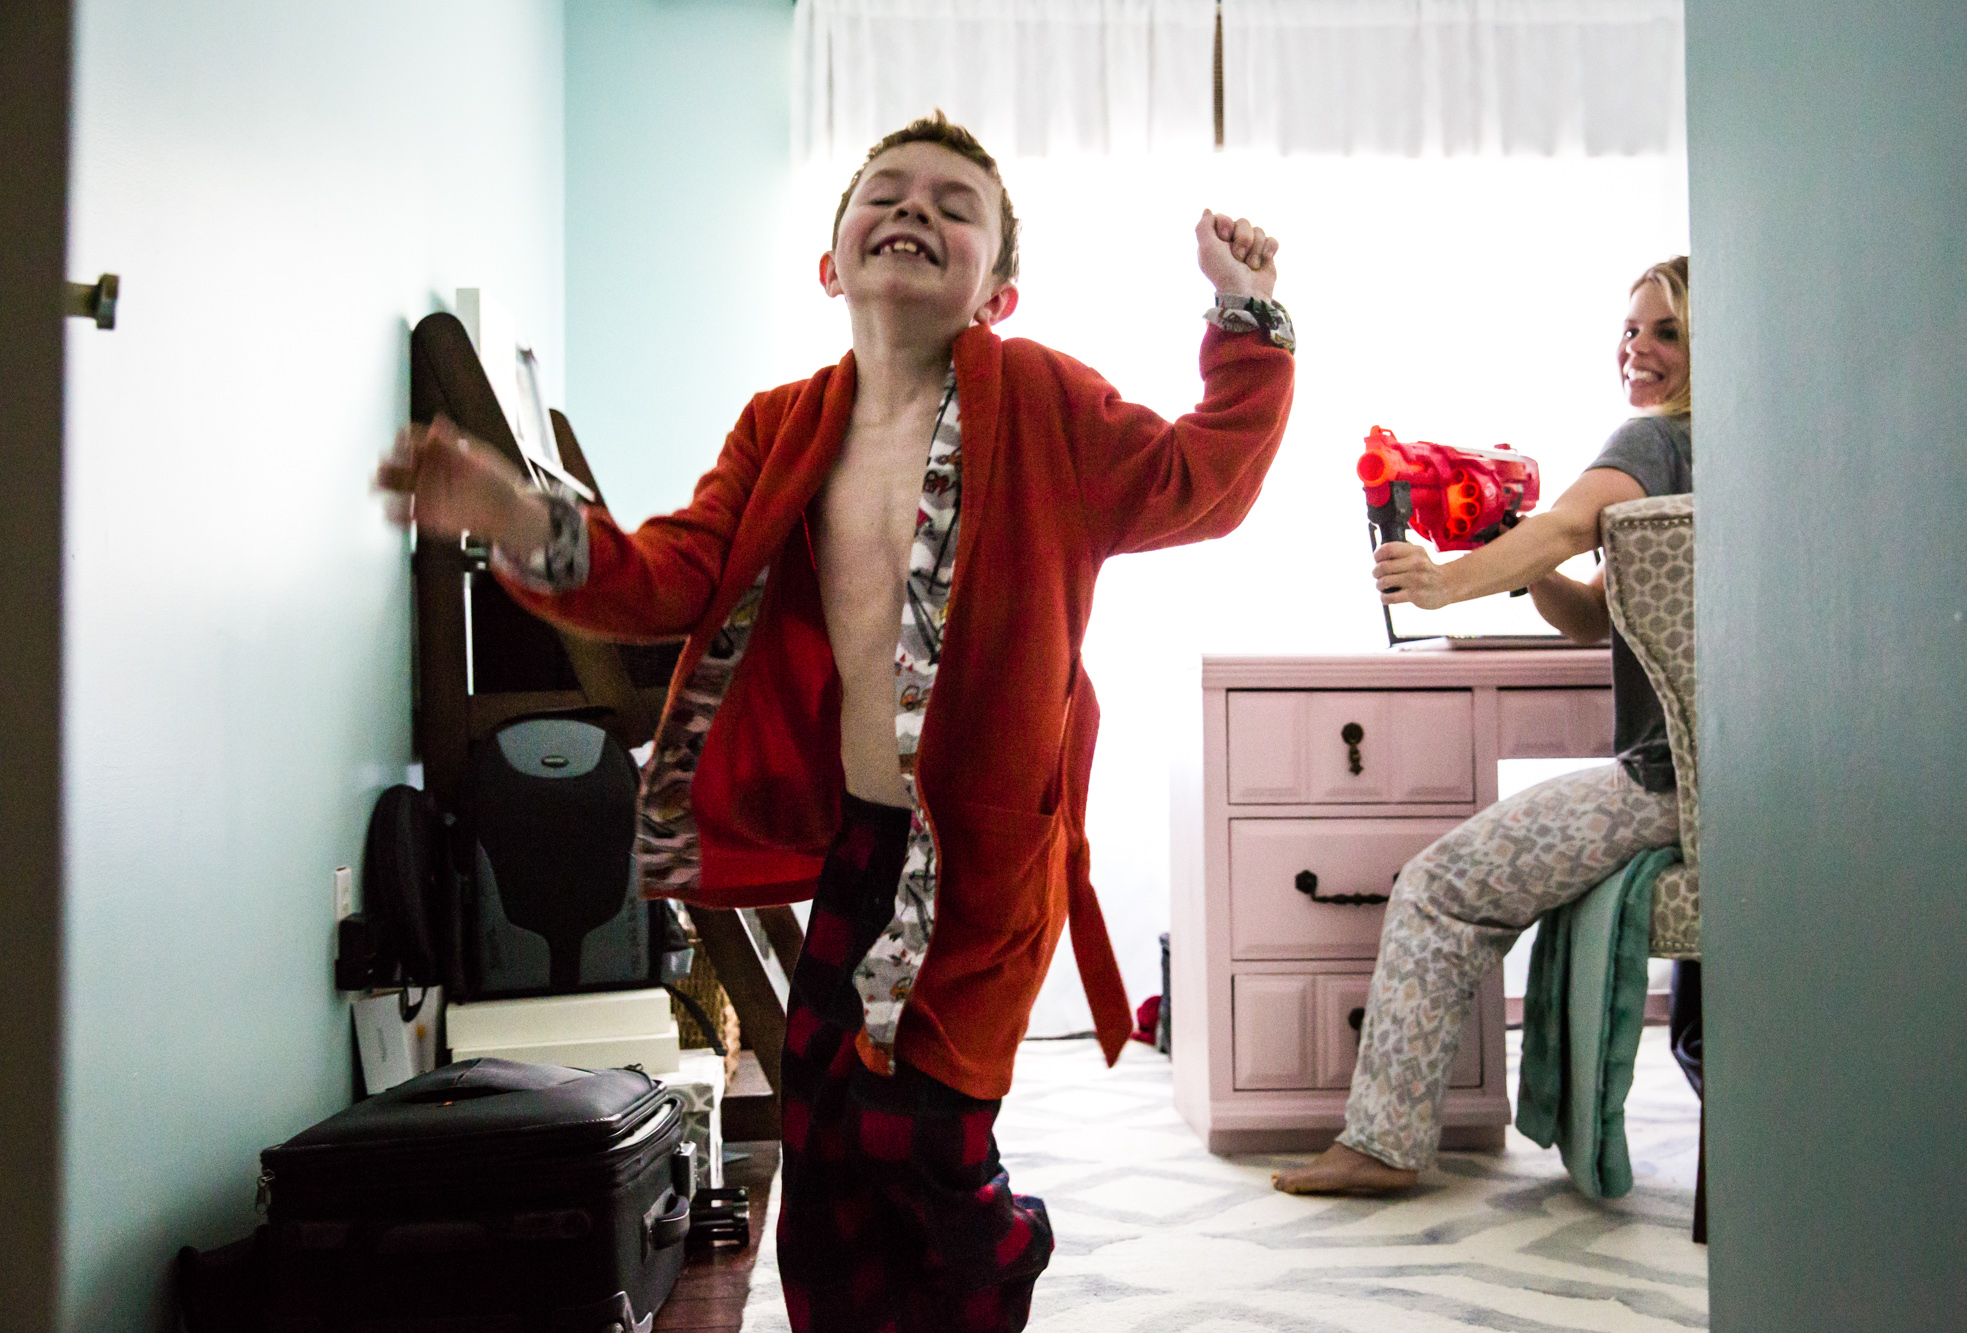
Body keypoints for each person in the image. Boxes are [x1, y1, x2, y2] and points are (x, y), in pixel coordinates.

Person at [379, 112, 1295, 1330]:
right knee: (819, 1140)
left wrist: (1247, 318)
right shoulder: (782, 426)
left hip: (984, 854)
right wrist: (524, 521)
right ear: (830, 262)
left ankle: (999, 1250)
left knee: (920, 1122)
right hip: (859, 841)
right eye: (888, 193)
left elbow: (1202, 477)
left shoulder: (1042, 402)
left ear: (998, 290)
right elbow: (666, 574)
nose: (915, 211)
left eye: (953, 206)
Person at [1273, 256, 1691, 1196]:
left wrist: (1441, 583)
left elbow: (1568, 527)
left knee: (1438, 886)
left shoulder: (1653, 442)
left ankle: (1383, 1144)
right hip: (1716, 783)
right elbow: (1590, 616)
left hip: (1666, 781)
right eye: (1631, 328)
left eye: (1667, 331)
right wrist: (1517, 551)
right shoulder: (1718, 454)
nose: (1639, 348)